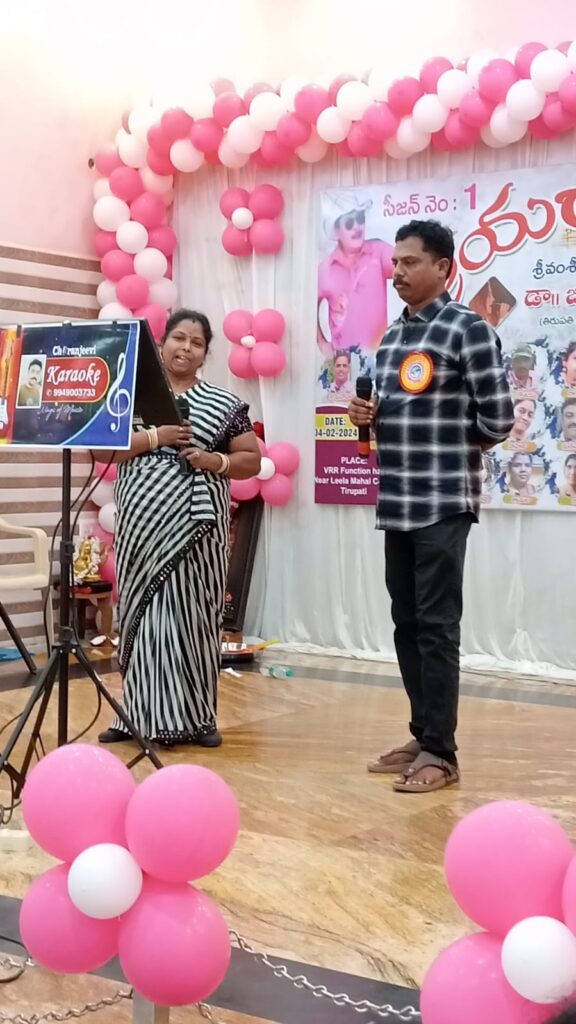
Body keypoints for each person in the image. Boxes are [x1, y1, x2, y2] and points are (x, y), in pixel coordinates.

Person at [348, 220, 513, 794]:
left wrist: (446, 446)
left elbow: (499, 419)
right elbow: (389, 410)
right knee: (407, 623)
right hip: (396, 500)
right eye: (394, 262)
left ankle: (442, 753)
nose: (397, 272)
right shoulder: (392, 337)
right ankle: (422, 734)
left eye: (410, 262)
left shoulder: (469, 328)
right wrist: (367, 417)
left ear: (443, 268)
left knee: (438, 627)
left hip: (443, 500)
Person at [98, 309, 261, 748]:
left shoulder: (224, 404)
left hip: (196, 534)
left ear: (206, 354)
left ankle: (199, 718)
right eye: (179, 338)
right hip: (141, 528)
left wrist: (212, 460)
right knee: (142, 620)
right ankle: (134, 715)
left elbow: (252, 460)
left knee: (193, 621)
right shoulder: (128, 398)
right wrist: (158, 437)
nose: (185, 348)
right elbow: (103, 451)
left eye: (196, 342)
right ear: (161, 343)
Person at [317, 196, 394, 356]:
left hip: (379, 357)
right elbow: (307, 306)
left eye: (360, 219)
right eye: (349, 223)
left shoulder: (380, 252)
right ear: (337, 231)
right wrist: (321, 342)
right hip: (344, 361)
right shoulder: (325, 269)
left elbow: (411, 271)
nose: (357, 227)